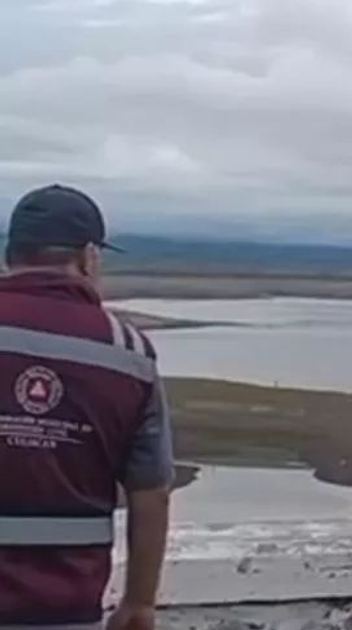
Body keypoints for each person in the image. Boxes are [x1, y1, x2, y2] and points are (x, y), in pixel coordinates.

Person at [0, 185, 174, 630]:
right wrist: (139, 602)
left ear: (10, 254)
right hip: (65, 608)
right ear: (88, 257)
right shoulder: (129, 351)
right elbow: (150, 489)